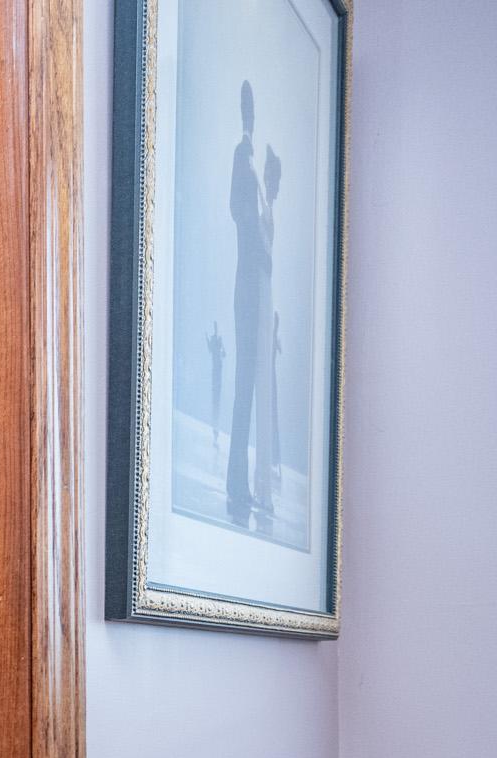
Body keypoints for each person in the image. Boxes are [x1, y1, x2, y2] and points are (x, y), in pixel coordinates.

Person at [225, 80, 269, 528]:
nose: (250, 113)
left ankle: (243, 484)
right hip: (246, 281)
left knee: (249, 386)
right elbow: (235, 209)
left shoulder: (252, 156)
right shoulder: (242, 154)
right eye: (247, 106)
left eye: (253, 107)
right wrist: (256, 230)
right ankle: (236, 485)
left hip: (255, 283)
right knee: (241, 388)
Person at [253, 149, 284, 525]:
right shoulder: (264, 205)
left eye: (273, 178)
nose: (271, 183)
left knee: (265, 402)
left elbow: (267, 256)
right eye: (270, 177)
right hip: (262, 297)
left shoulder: (267, 209)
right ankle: (261, 487)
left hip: (265, 298)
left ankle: (264, 488)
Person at [206, 323, 227, 450]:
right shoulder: (215, 340)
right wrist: (207, 339)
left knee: (216, 400)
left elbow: (224, 354)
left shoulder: (218, 340)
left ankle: (216, 430)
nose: (216, 328)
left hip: (218, 371)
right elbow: (212, 351)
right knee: (216, 400)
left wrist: (220, 349)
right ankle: (215, 430)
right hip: (216, 372)